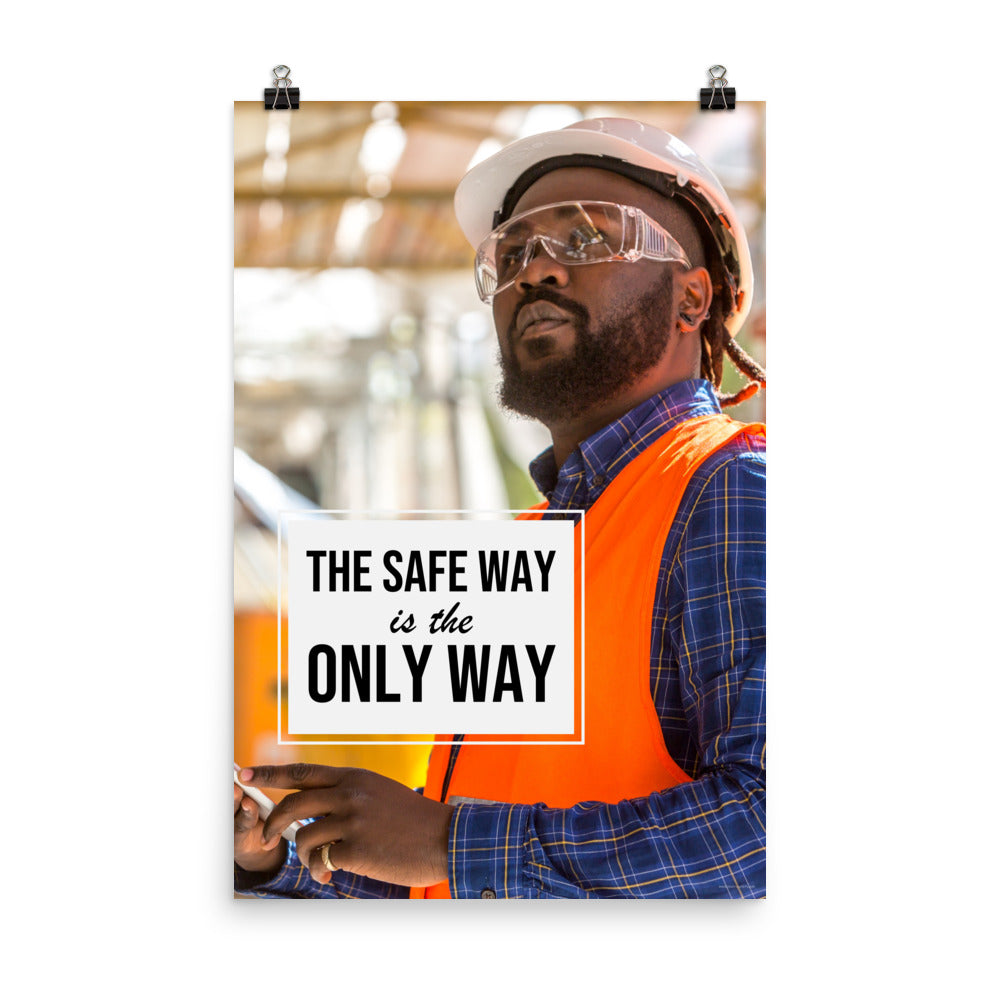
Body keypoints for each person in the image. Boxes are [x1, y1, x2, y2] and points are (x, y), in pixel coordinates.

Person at [235, 118, 767, 899]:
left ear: (692, 298)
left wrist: (449, 842)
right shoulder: (529, 554)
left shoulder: (730, 490)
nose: (536, 272)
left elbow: (763, 835)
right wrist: (274, 856)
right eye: (511, 254)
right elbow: (447, 881)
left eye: (587, 239)